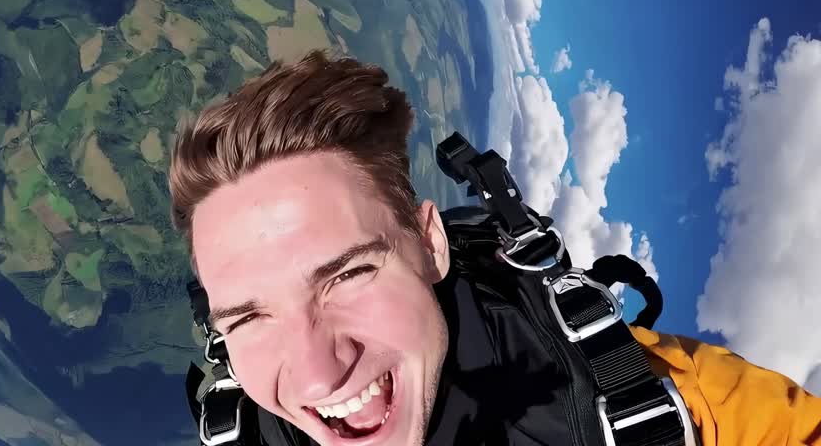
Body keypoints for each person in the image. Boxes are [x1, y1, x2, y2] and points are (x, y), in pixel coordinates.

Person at [168, 49, 820, 446]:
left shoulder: (666, 406)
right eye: (247, 318)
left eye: (347, 275)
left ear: (429, 246)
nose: (318, 374)